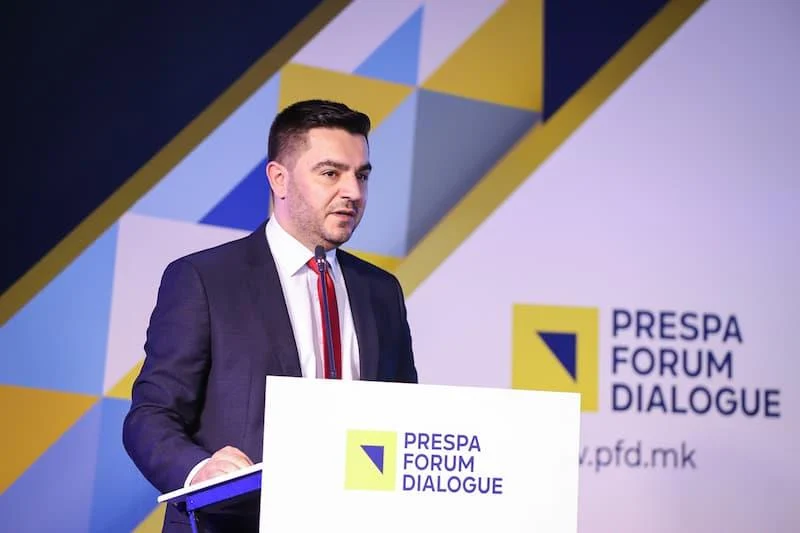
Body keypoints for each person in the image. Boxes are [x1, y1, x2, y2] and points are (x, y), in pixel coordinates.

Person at [122, 99, 418, 533]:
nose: (353, 192)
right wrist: (200, 472)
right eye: (331, 173)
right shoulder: (204, 280)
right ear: (279, 178)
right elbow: (150, 415)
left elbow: (406, 420)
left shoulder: (381, 292)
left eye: (362, 175)